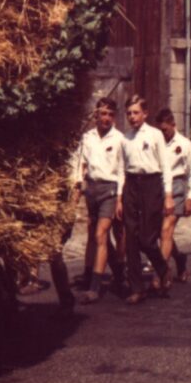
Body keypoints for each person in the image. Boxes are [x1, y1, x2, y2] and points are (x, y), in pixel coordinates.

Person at [120, 95, 173, 305]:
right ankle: (136, 288)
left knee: (146, 239)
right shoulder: (125, 138)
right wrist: (119, 197)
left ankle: (162, 268)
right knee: (130, 238)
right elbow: (120, 169)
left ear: (145, 113)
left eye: (136, 112)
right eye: (129, 113)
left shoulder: (155, 135)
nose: (132, 117)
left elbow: (166, 167)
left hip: (151, 185)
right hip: (131, 185)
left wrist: (168, 195)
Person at [73, 97, 126, 305]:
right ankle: (118, 274)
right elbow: (81, 163)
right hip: (92, 190)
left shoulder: (120, 139)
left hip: (110, 190)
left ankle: (94, 287)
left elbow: (122, 171)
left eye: (111, 115)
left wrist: (120, 197)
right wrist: (78, 185)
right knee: (95, 235)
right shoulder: (87, 137)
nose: (106, 118)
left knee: (100, 234)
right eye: (103, 114)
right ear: (96, 114)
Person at [157, 110, 191, 283]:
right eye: (160, 130)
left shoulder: (185, 144)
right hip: (158, 188)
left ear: (173, 125)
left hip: (177, 188)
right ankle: (180, 259)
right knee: (162, 234)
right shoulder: (156, 142)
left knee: (166, 229)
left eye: (165, 130)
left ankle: (160, 274)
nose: (163, 133)